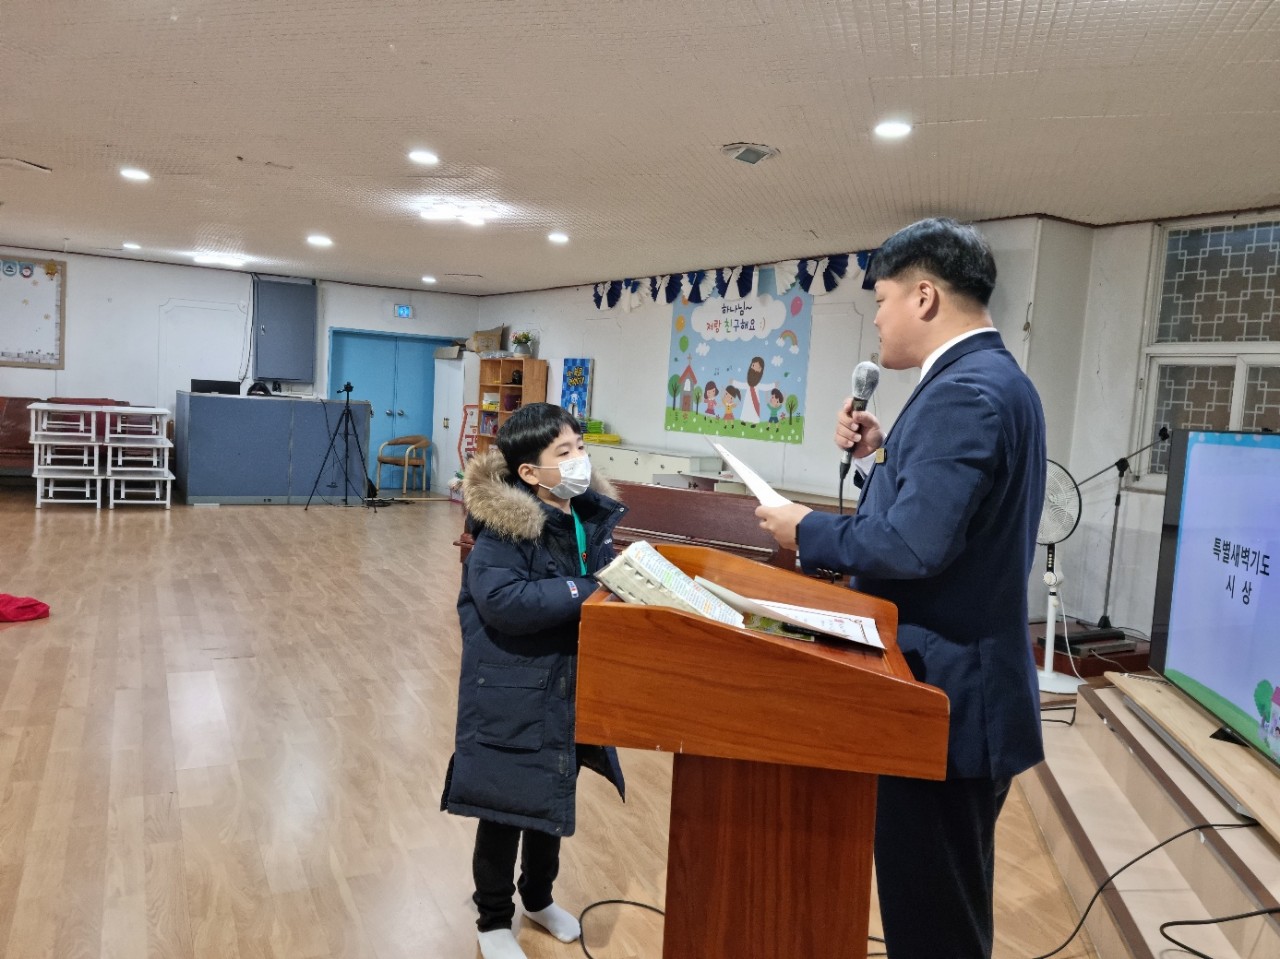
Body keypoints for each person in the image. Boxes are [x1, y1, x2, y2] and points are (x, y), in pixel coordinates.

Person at [755, 217, 1047, 959]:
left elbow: (916, 545)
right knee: (940, 910)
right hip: (961, 689)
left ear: (924, 296)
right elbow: (949, 519)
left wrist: (804, 529)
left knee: (934, 926)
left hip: (944, 699)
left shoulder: (962, 394)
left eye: (881, 300)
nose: (877, 318)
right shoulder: (993, 379)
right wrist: (884, 455)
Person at [442, 403, 626, 959]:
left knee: (550, 801)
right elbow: (503, 601)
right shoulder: (506, 526)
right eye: (563, 452)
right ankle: (493, 919)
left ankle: (539, 899)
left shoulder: (582, 516)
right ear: (529, 472)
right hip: (512, 693)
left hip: (565, 688)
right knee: (503, 810)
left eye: (580, 447)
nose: (579, 460)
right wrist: (588, 589)